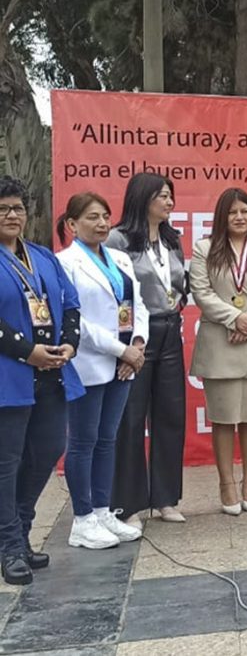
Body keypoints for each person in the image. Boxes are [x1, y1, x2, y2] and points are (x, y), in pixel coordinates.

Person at [0, 176, 84, 585]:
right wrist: (25, 351)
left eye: (17, 208)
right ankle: (11, 545)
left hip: (51, 373)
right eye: (3, 209)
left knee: (50, 448)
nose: (11, 215)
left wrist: (68, 345)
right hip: (8, 376)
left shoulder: (42, 257)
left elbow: (70, 305)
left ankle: (19, 527)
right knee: (6, 463)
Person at [56, 193, 146, 548]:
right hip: (89, 362)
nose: (102, 223)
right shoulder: (65, 263)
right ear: (72, 225)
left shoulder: (120, 258)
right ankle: (82, 519)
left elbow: (138, 306)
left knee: (108, 440)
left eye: (106, 216)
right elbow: (76, 320)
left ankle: (103, 509)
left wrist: (136, 346)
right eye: (92, 217)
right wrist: (120, 349)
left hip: (124, 365)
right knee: (83, 441)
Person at [189, 188, 247, 513]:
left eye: (245, 211)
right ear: (222, 217)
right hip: (220, 342)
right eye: (232, 213)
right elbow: (201, 292)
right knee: (223, 418)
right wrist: (235, 319)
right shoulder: (205, 248)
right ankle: (226, 483)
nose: (240, 217)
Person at [107, 172, 188, 527]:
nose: (169, 202)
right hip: (138, 335)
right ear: (143, 198)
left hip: (170, 330)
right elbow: (114, 292)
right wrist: (129, 343)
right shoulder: (119, 238)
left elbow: (178, 283)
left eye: (171, 196)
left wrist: (181, 298)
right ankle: (128, 504)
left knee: (171, 415)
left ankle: (166, 498)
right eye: (162, 196)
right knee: (131, 418)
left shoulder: (171, 240)